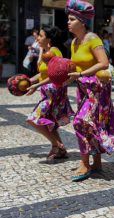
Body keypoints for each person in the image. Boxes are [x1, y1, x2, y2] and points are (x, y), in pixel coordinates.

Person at [65, 0, 114, 181]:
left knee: (80, 122)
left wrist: (82, 72)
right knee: (92, 123)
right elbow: (74, 65)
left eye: (72, 19)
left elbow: (103, 63)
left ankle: (85, 163)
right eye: (68, 19)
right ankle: (97, 161)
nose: (68, 22)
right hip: (82, 88)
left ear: (82, 21)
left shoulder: (93, 39)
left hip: (97, 88)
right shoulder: (74, 42)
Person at [25, 26, 75, 160]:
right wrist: (28, 82)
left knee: (33, 119)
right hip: (47, 92)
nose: (37, 38)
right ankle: (59, 149)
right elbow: (42, 74)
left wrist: (36, 85)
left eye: (41, 36)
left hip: (54, 92)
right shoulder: (46, 51)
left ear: (49, 39)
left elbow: (55, 75)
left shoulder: (54, 52)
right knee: (49, 123)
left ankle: (57, 144)